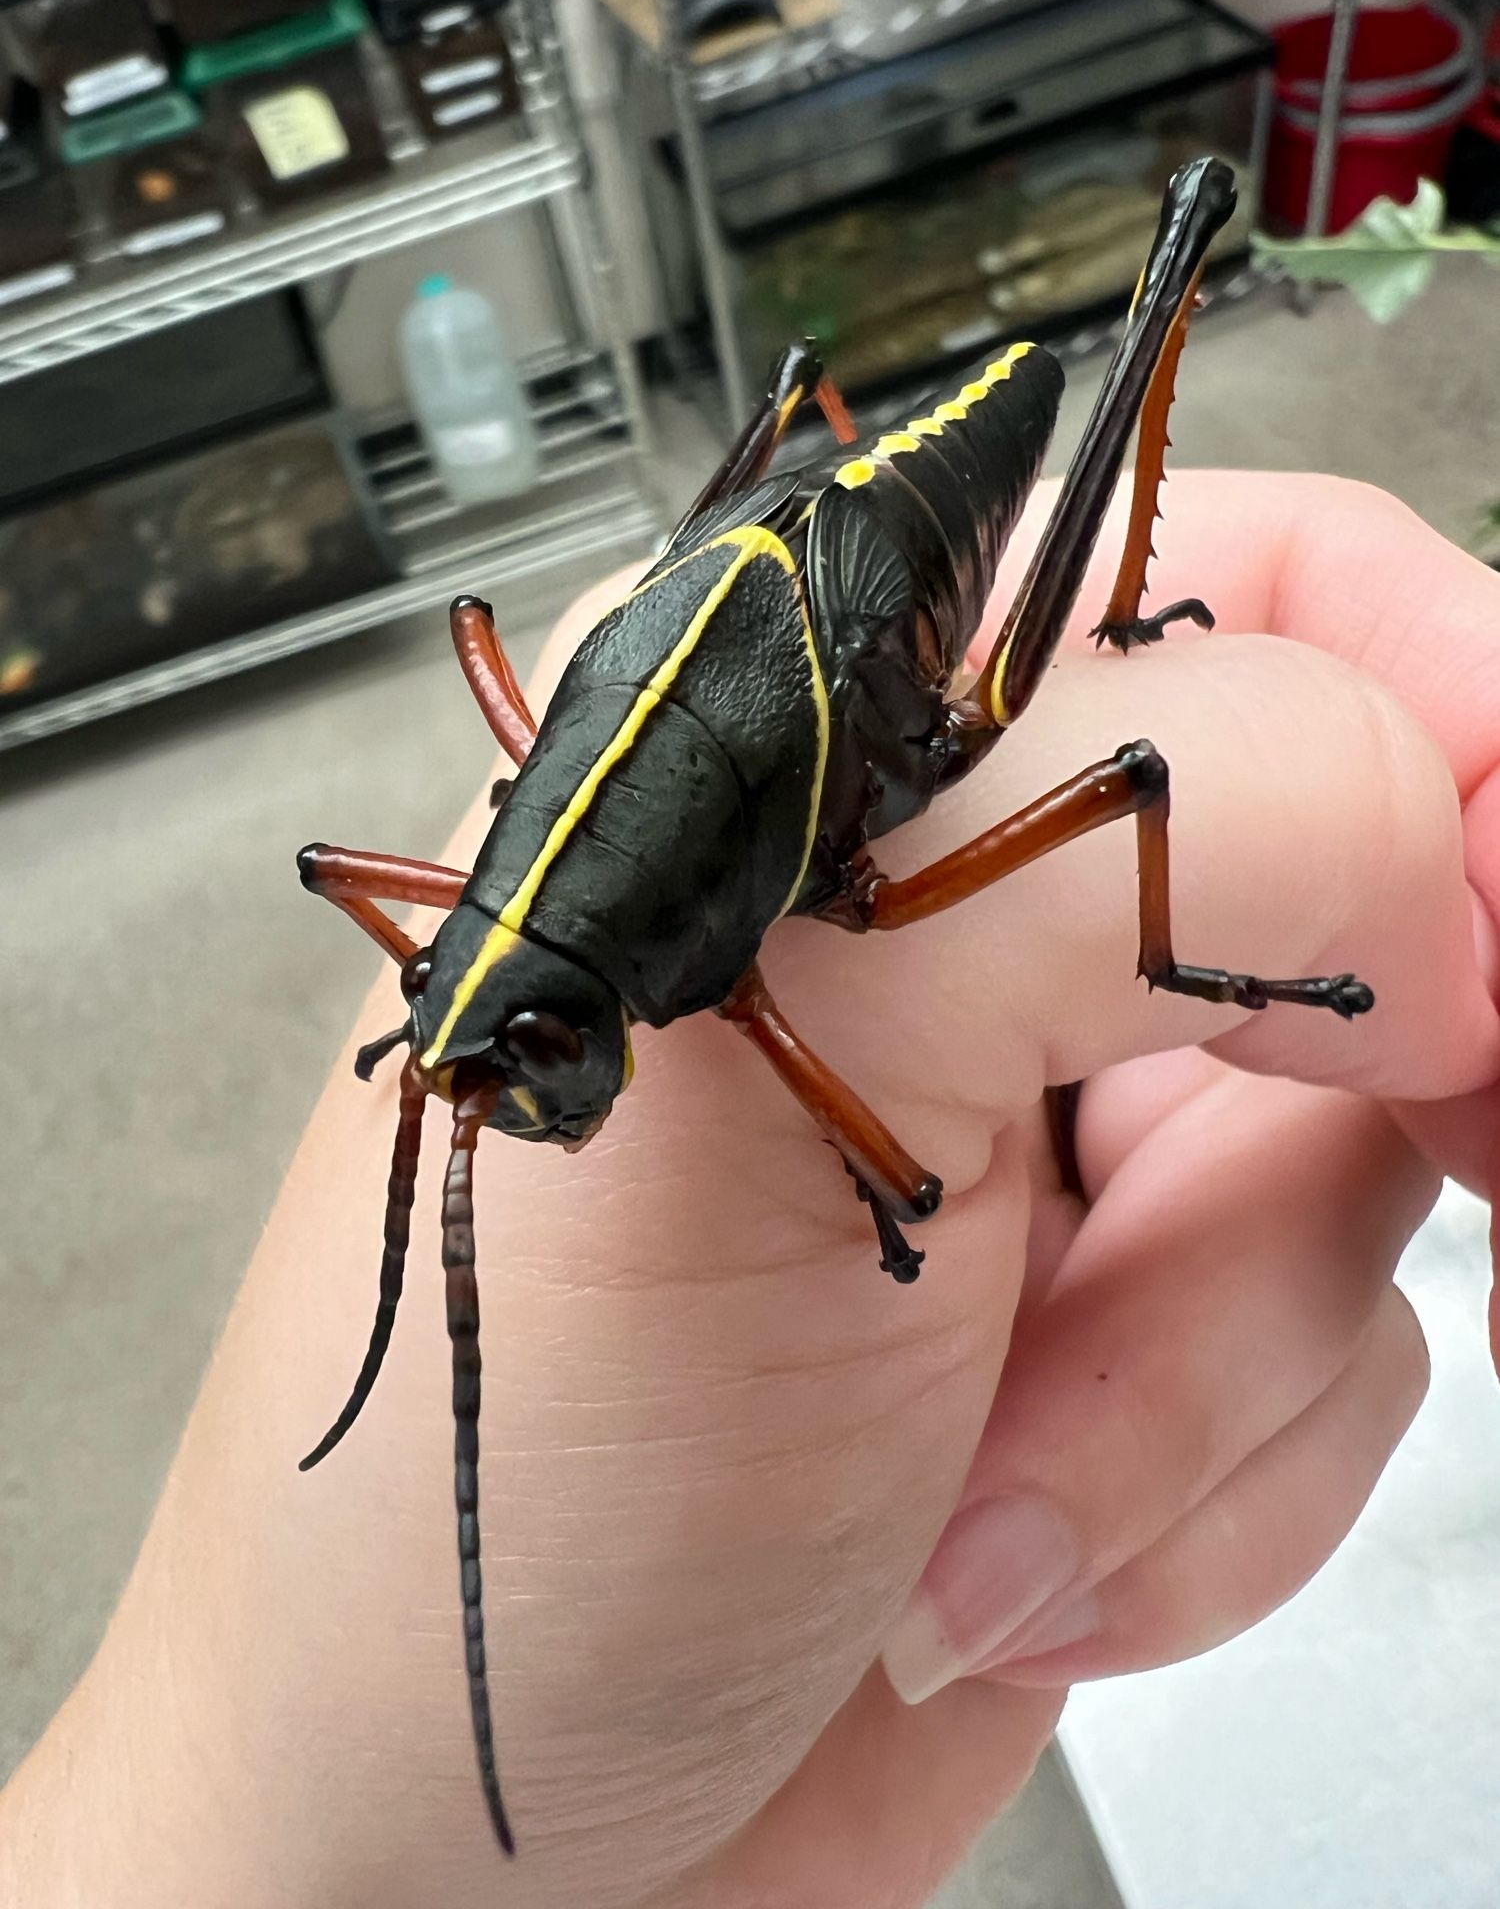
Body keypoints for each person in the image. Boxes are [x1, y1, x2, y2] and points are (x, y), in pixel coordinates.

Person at [4, 471, 1498, 1909]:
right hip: (733, 606)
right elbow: (368, 865)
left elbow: (1068, 847)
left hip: (870, 653)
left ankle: (1152, 864)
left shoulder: (758, 963)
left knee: (1110, 771)